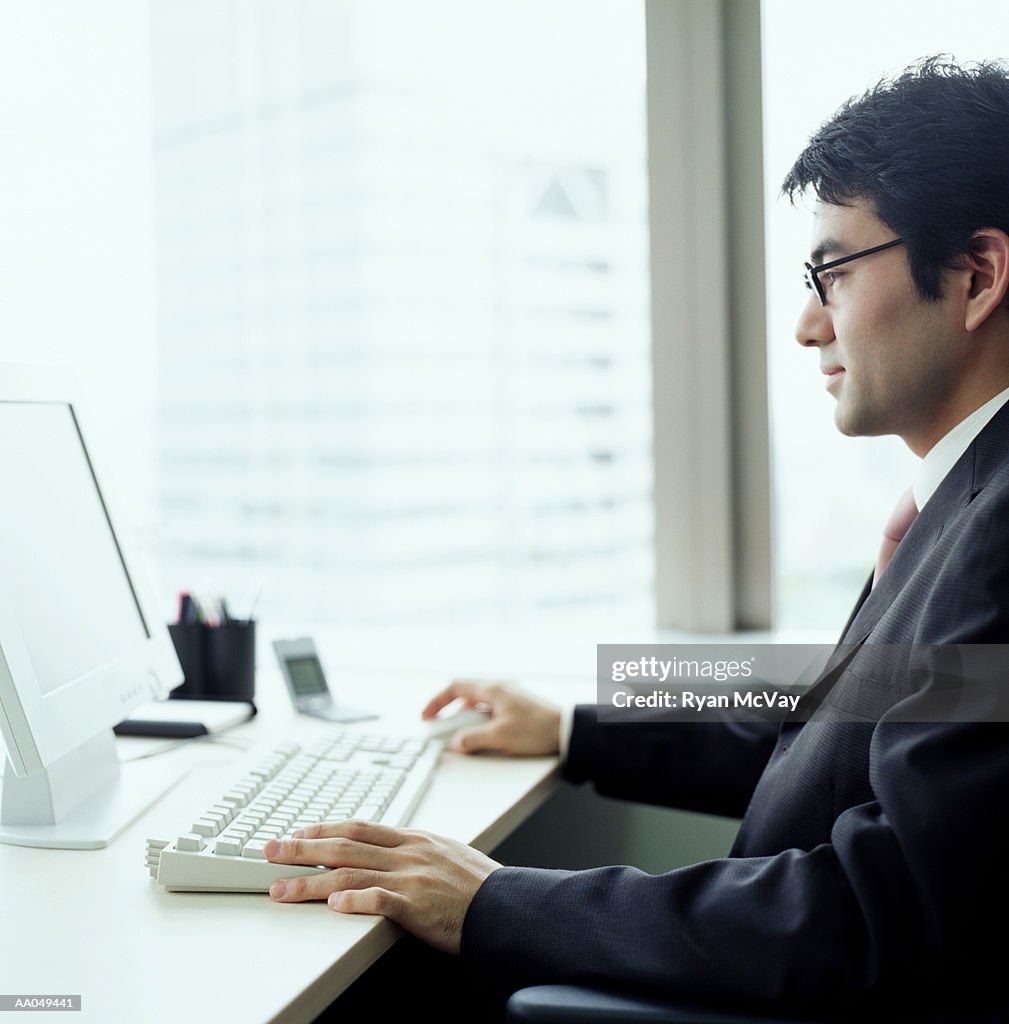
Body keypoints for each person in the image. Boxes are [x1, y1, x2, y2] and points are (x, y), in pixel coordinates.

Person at [265, 57, 1009, 1022]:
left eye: (830, 272)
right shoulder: (961, 498)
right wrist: (577, 724)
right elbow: (826, 720)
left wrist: (498, 899)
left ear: (976, 275)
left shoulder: (994, 530)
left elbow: (884, 911)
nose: (802, 326)